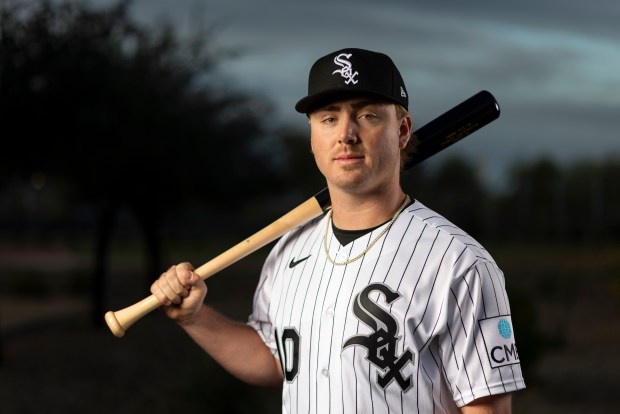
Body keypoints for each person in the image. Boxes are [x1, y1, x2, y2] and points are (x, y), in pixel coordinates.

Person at [151, 48, 526, 413]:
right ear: (313, 136)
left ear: (403, 130)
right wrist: (194, 317)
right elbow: (275, 361)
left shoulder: (459, 263)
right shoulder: (288, 251)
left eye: (366, 115)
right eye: (329, 118)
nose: (346, 134)